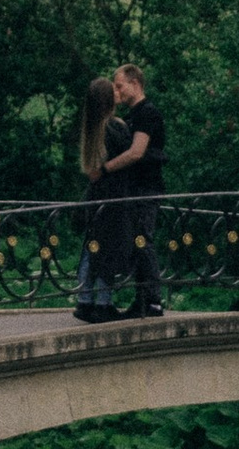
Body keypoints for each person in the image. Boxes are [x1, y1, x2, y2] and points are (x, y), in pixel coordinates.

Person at [99, 61, 168, 318]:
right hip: (134, 188)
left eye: (119, 86)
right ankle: (141, 299)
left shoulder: (147, 113)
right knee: (136, 241)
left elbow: (136, 152)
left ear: (135, 83)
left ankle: (153, 300)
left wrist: (105, 169)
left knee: (143, 240)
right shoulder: (132, 116)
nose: (116, 91)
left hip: (146, 188)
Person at [71, 76, 122, 317]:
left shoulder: (92, 130)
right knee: (107, 250)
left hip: (95, 197)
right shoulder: (114, 127)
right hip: (112, 197)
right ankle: (103, 302)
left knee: (91, 248)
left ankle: (84, 298)